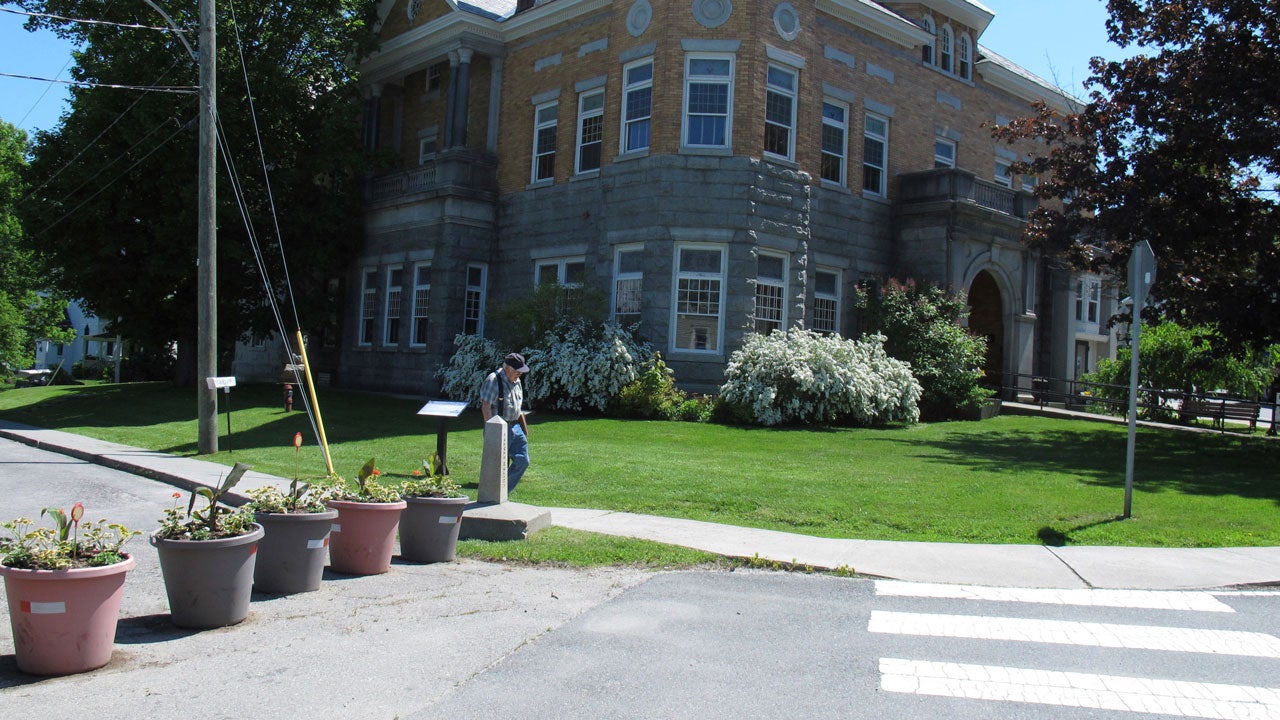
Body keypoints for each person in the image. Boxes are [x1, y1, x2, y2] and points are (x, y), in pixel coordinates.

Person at [479, 352, 531, 492]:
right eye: (517, 370)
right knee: (497, 465)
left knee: (523, 460)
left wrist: (524, 429)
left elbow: (518, 407)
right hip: (499, 427)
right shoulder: (493, 380)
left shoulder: (517, 380)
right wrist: (492, 431)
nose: (520, 373)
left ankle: (503, 491)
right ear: (507, 367)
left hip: (515, 426)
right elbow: (486, 406)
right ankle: (494, 495)